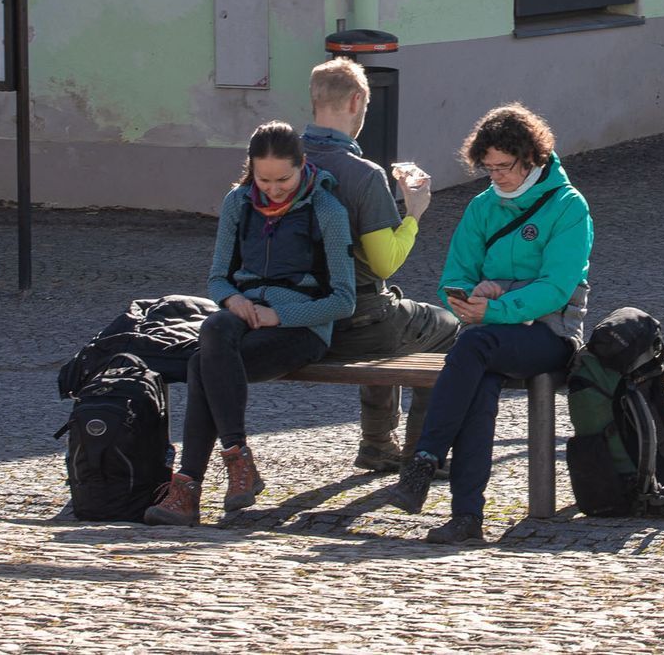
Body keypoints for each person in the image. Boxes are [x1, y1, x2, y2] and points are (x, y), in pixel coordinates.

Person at [390, 104, 592, 544]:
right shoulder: (483, 206)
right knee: (476, 383)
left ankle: (424, 460)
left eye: (505, 167)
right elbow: (455, 275)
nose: (497, 176)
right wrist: (464, 299)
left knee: (472, 350)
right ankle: (466, 517)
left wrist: (497, 303)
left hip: (550, 335)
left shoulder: (568, 206)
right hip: (488, 334)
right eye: (489, 168)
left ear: (532, 158)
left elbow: (557, 288)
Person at [145, 121, 356, 528]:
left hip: (301, 329)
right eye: (265, 179)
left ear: (302, 165)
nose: (274, 189)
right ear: (251, 170)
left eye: (284, 179)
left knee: (198, 367)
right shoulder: (238, 203)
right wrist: (235, 299)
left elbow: (343, 300)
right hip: (243, 319)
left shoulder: (327, 211)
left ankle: (188, 489)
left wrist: (281, 315)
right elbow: (218, 277)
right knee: (214, 329)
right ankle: (238, 458)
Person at [301, 58, 460, 473]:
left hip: (292, 318)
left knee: (389, 311)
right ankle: (419, 452)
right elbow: (384, 261)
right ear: (357, 102)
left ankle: (377, 441)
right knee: (445, 329)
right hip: (353, 324)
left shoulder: (280, 163)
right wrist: (414, 211)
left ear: (315, 99)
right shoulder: (363, 174)